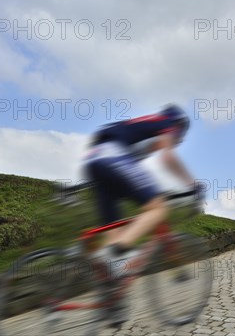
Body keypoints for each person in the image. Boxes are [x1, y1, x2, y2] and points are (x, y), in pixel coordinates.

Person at [84, 104, 196, 324]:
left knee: (116, 249)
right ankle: (110, 255)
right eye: (181, 134)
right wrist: (192, 185)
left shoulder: (141, 129)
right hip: (112, 157)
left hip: (94, 161)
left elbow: (131, 173)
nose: (179, 138)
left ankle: (112, 306)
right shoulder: (166, 123)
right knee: (158, 208)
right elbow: (168, 158)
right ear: (179, 126)